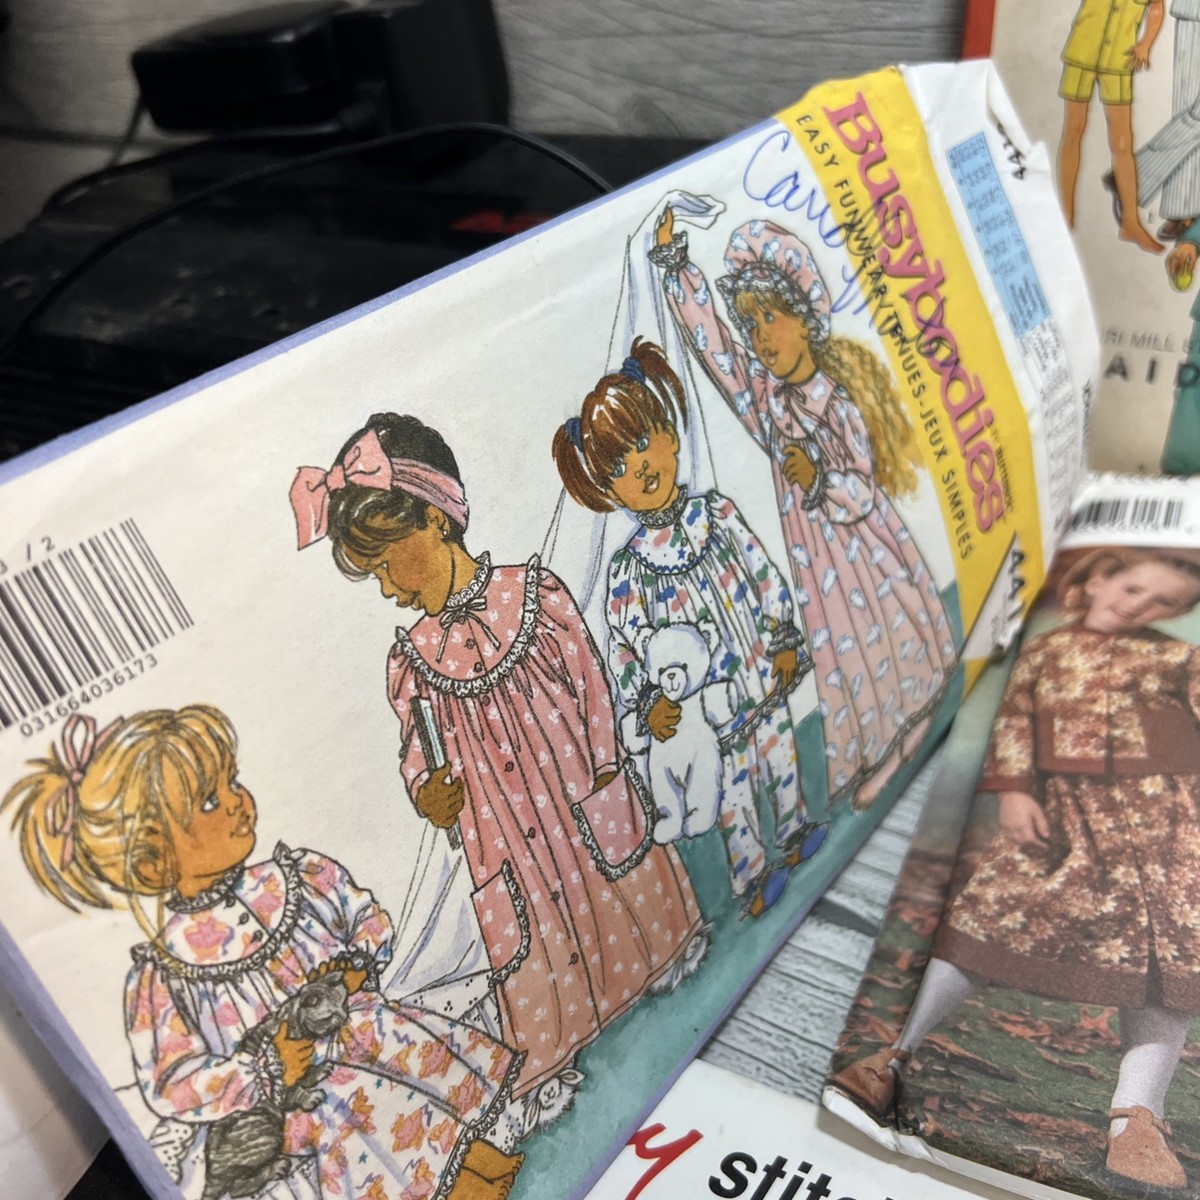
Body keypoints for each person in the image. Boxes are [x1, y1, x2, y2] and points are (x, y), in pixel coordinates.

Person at [290, 413, 706, 1109]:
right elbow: (417, 757)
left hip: (580, 803)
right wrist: (429, 794)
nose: (388, 588)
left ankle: (660, 957)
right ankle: (557, 1049)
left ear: (435, 520)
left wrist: (607, 774)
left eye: (388, 563)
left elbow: (593, 693)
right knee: (534, 935)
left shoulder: (537, 597)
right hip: (506, 842)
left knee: (615, 887)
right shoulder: (412, 666)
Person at [2, 706, 524, 1200]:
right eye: (210, 802)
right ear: (152, 863)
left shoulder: (294, 877)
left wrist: (353, 968)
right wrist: (263, 1068)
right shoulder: (165, 975)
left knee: (394, 1053)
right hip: (291, 1097)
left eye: (231, 782)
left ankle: (486, 1168)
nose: (237, 801)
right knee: (343, 1107)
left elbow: (366, 918)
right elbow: (172, 1082)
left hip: (366, 1034)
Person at [830, 547, 1200, 1190]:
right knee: (985, 920)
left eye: (1164, 603)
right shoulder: (1045, 652)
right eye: (1133, 588)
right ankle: (893, 1055)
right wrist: (1015, 791)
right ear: (1099, 578)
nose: (1140, 607)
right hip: (1066, 815)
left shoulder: (1176, 658)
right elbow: (1015, 730)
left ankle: (1137, 1117)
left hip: (1167, 823)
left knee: (1166, 965)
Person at [648, 213, 956, 812]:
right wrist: (678, 267)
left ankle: (915, 721)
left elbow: (862, 489)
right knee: (846, 655)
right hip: (819, 569)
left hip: (865, 555)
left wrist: (819, 481)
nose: (761, 337)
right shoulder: (767, 403)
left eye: (771, 318)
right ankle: (878, 749)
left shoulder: (835, 403)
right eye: (751, 323)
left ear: (805, 319)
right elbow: (720, 355)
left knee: (890, 637)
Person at [552, 336, 827, 918]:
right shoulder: (628, 571)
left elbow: (763, 572)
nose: (641, 468)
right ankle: (754, 875)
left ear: (671, 437)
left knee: (780, 754)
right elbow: (623, 654)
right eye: (620, 468)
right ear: (608, 492)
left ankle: (796, 829)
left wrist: (782, 638)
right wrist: (650, 703)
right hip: (705, 711)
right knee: (729, 790)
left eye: (644, 444)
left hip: (759, 674)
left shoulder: (716, 513)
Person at [1056, 0, 1165, 252]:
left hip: (1120, 60)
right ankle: (1065, 215)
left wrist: (1146, 44)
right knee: (1073, 131)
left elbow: (1157, 6)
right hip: (1082, 52)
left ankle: (1130, 223)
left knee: (1122, 142)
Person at [1132, 0, 1200, 240]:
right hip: (1193, 13)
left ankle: (1134, 175)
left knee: (1193, 114)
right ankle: (1180, 210)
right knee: (1188, 106)